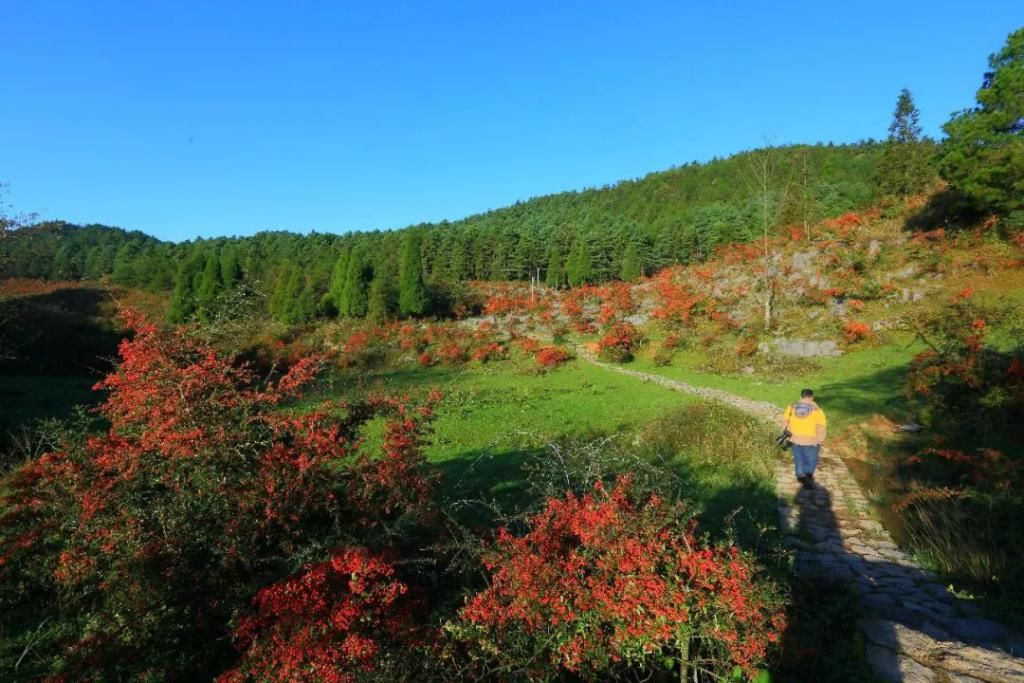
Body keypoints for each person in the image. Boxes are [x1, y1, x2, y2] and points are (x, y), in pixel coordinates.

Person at [781, 388, 827, 488]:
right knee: (811, 459)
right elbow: (821, 426)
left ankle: (800, 476)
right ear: (812, 397)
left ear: (801, 396)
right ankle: (808, 477)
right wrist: (820, 439)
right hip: (811, 441)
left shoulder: (792, 407)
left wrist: (786, 435)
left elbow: (785, 421)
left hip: (794, 439)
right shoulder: (817, 410)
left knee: (798, 458)